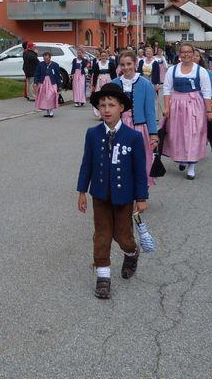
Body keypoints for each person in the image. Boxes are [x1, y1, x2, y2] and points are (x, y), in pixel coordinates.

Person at [77, 83, 148, 299]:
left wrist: (141, 197)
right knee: (102, 235)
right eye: (102, 105)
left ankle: (131, 253)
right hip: (99, 195)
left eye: (111, 105)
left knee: (123, 236)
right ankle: (103, 276)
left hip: (123, 197)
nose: (106, 109)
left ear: (121, 107)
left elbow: (139, 171)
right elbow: (86, 164)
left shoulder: (133, 137)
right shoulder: (93, 134)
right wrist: (82, 191)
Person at [161, 42, 212, 179]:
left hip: (195, 105)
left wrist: (209, 111)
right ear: (179, 54)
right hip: (177, 104)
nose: (186, 54)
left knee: (193, 133)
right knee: (178, 133)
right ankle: (182, 158)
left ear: (193, 54)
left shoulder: (200, 71)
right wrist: (166, 107)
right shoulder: (172, 70)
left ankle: (191, 166)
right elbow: (167, 90)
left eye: (189, 52)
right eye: (183, 52)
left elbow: (207, 92)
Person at [113, 50, 159, 187]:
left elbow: (150, 112)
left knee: (140, 160)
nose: (126, 67)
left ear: (135, 63)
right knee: (120, 159)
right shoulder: (114, 83)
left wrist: (153, 134)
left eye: (129, 64)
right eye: (122, 64)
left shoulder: (145, 84)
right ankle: (123, 189)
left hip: (139, 128)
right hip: (118, 128)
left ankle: (140, 191)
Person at [34, 51, 61, 117]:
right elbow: (37, 74)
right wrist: (35, 82)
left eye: (47, 59)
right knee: (44, 97)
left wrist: (59, 85)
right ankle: (48, 112)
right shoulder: (40, 64)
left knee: (50, 96)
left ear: (50, 58)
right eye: (44, 59)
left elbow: (58, 76)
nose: (46, 60)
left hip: (52, 82)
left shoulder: (55, 65)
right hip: (43, 82)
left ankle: (51, 111)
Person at [90, 49, 117, 117]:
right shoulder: (97, 64)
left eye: (104, 56)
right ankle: (100, 114)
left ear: (107, 56)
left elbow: (114, 74)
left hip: (108, 81)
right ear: (100, 56)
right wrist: (94, 84)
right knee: (100, 97)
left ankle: (110, 112)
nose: (103, 57)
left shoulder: (110, 64)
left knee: (109, 96)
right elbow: (95, 75)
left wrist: (115, 83)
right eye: (102, 56)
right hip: (100, 81)